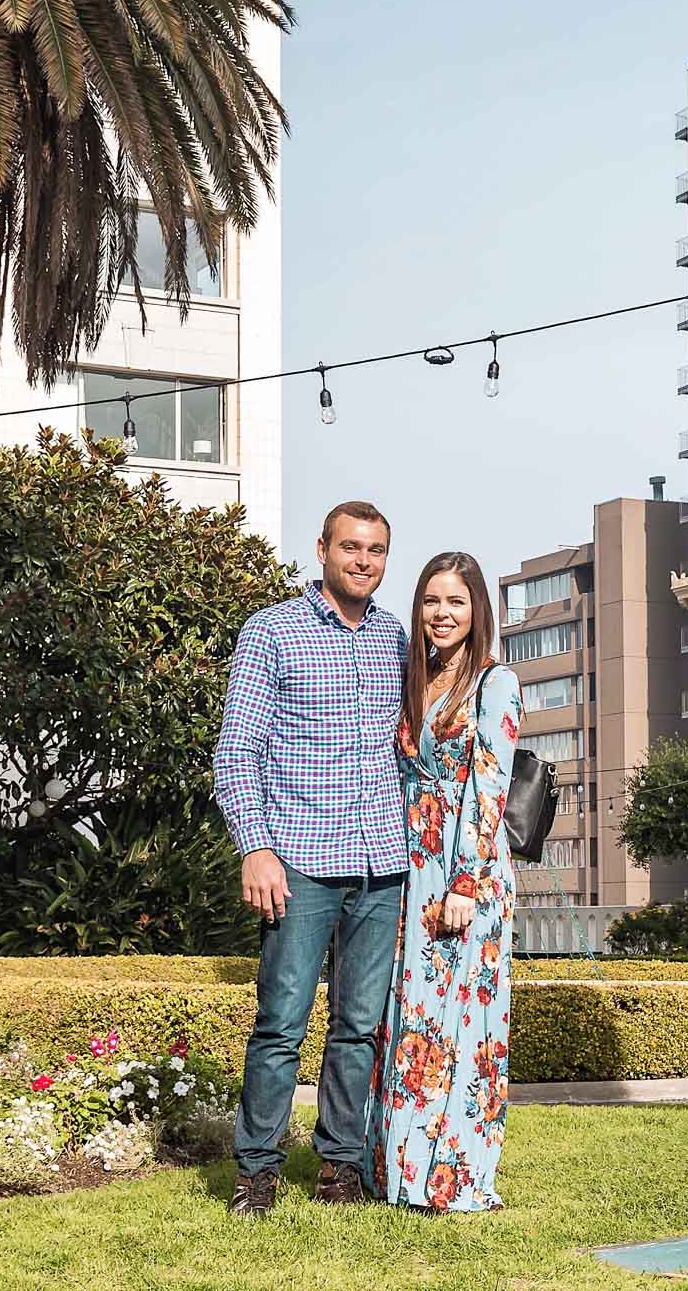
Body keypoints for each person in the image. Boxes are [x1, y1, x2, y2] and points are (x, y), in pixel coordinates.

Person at [213, 502, 409, 1218]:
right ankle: (257, 1171)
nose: (364, 560)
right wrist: (255, 848)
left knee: (359, 1026)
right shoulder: (272, 632)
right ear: (322, 549)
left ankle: (338, 1167)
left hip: (381, 864)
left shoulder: (395, 639)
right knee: (282, 1025)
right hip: (297, 859)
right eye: (351, 547)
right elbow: (237, 752)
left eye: (378, 550)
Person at [367, 552, 519, 1213]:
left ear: (477, 610)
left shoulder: (494, 683)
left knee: (461, 1029)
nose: (442, 613)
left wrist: (463, 881)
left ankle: (451, 1178)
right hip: (410, 872)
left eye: (456, 601)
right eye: (432, 600)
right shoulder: (415, 680)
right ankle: (399, 1172)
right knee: (408, 1024)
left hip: (467, 876)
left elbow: (489, 789)